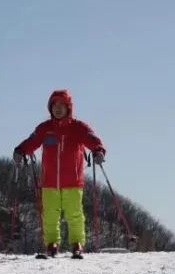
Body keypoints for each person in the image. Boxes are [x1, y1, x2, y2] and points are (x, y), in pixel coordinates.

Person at [13, 89, 106, 259]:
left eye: (62, 105)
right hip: (49, 182)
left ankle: (77, 244)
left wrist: (98, 150)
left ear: (68, 107)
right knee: (49, 214)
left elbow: (92, 139)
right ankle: (51, 244)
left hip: (73, 181)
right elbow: (32, 141)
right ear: (50, 108)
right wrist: (20, 150)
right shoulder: (45, 128)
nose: (58, 108)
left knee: (74, 214)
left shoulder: (78, 127)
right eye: (54, 105)